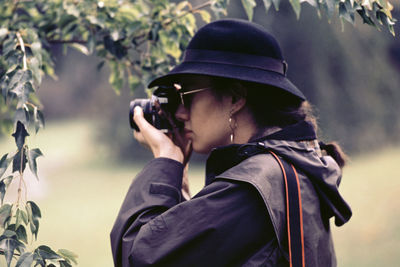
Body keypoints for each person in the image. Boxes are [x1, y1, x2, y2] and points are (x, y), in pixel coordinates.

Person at [110, 19, 352, 267]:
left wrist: (165, 162)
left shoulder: (254, 188)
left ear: (235, 98)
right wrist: (178, 180)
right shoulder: (291, 166)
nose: (180, 113)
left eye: (187, 96)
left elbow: (138, 256)